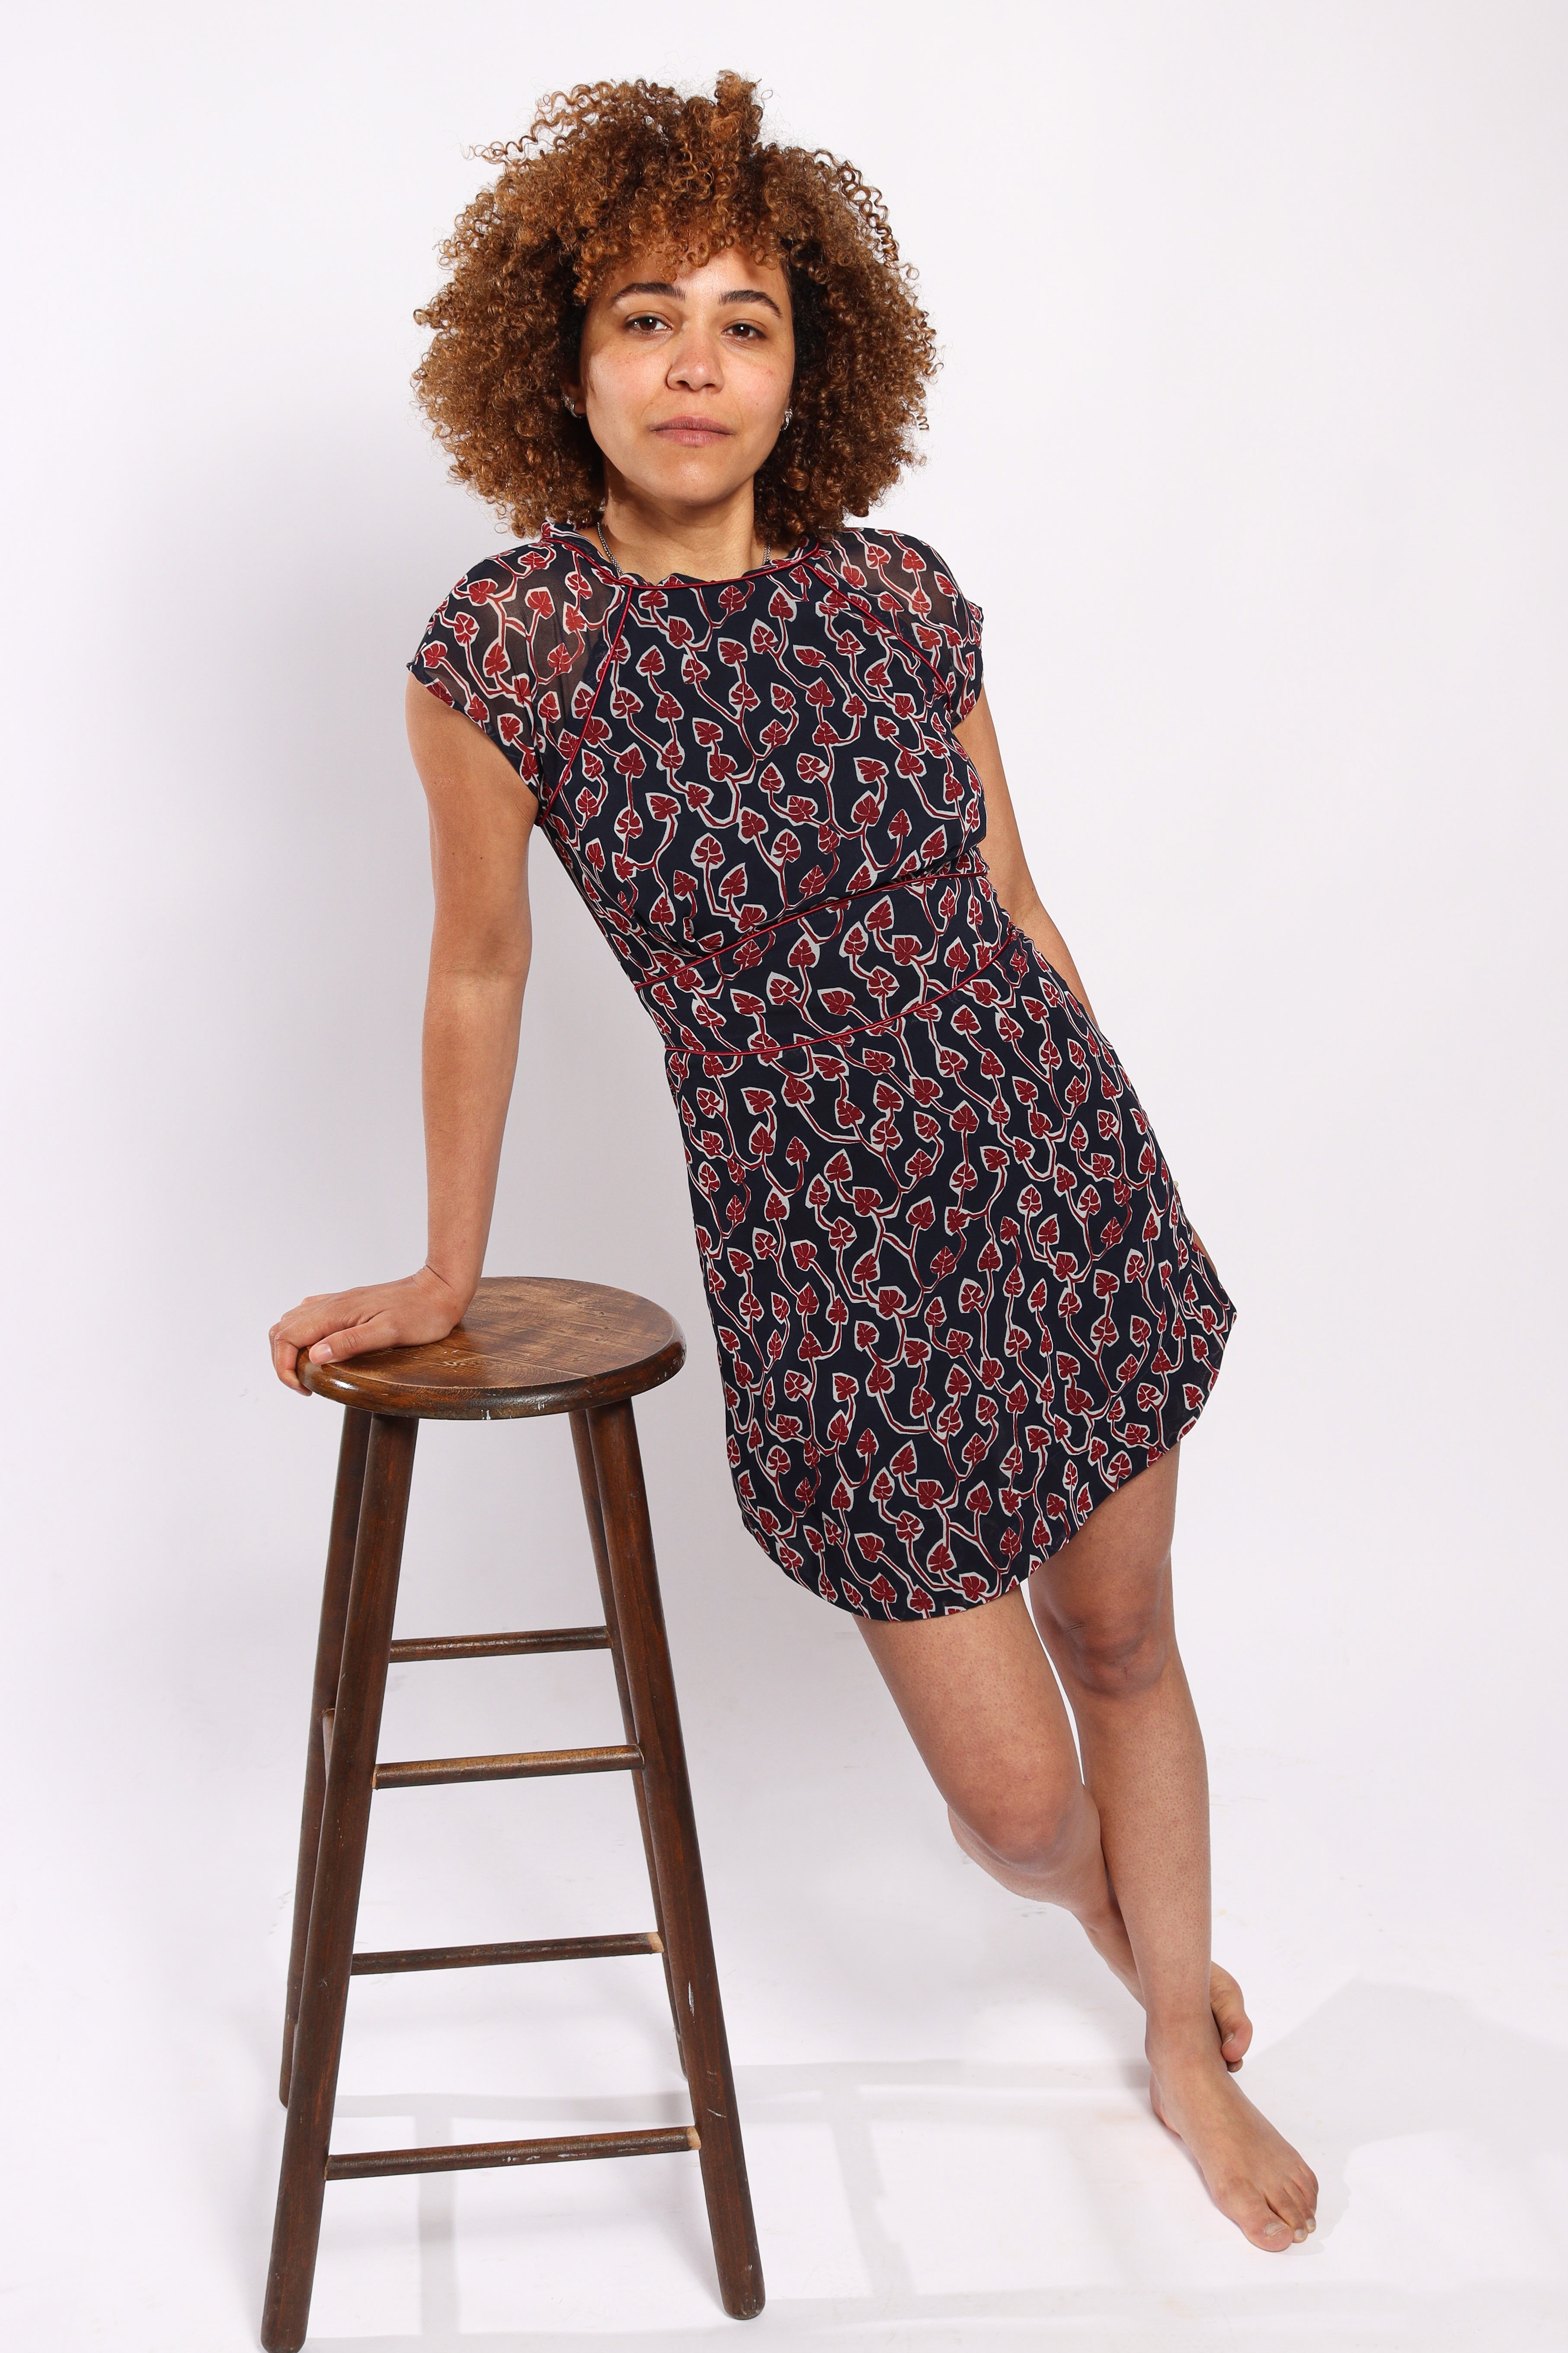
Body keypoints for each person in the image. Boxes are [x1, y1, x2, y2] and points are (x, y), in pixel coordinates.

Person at [269, 72, 1317, 2253]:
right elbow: (481, 971)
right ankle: (1117, 1931)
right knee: (1011, 1800)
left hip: (1056, 1179)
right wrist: (445, 1269)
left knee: (1126, 1641)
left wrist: (1110, 1147)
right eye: (645, 318)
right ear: (562, 362)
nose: (695, 364)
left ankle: (1180, 2047)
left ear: (803, 367)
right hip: (824, 1263)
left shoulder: (905, 600)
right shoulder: (510, 651)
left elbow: (1013, 904)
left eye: (742, 323)